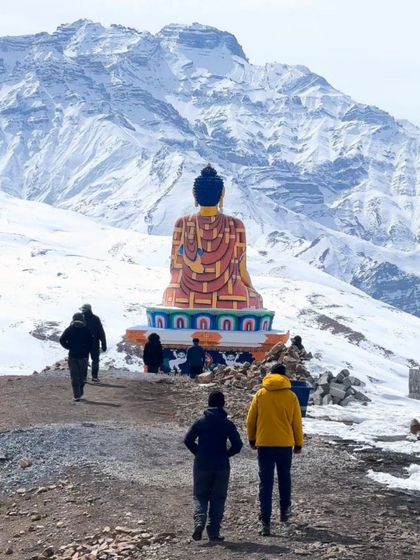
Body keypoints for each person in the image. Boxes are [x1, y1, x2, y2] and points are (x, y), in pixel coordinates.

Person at [162, 165, 263, 310]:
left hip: (183, 296)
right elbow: (242, 270)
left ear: (194, 195)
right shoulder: (236, 225)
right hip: (231, 296)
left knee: (171, 297)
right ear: (222, 195)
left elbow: (175, 269)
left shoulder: (182, 223)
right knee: (255, 300)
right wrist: (252, 290)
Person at [246, 363, 304, 536]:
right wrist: (298, 443)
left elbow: (251, 420)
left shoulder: (261, 394)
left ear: (270, 375)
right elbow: (297, 422)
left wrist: (252, 439)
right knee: (285, 478)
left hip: (264, 444)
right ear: (285, 376)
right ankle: (285, 513)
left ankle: (265, 521)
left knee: (266, 482)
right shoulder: (291, 396)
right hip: (285, 445)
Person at [184, 390, 242, 542]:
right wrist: (227, 454)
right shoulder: (227, 424)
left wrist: (198, 452)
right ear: (223, 404)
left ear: (208, 404)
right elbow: (238, 445)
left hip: (202, 464)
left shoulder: (200, 422)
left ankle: (199, 522)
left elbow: (187, 440)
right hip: (221, 465)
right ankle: (214, 532)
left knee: (200, 495)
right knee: (218, 498)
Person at [59, 313, 93, 402]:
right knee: (82, 376)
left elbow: (62, 340)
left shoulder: (70, 329)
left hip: (72, 356)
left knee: (74, 376)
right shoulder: (86, 329)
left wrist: (69, 347)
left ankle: (76, 395)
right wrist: (86, 350)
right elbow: (91, 342)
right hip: (83, 357)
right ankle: (80, 393)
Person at [80, 304, 107, 382]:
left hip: (83, 344)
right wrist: (104, 344)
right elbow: (101, 332)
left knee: (84, 360)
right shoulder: (95, 319)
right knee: (95, 360)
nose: (82, 311)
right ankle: (94, 377)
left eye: (83, 309)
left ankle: (83, 377)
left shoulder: (80, 319)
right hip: (94, 343)